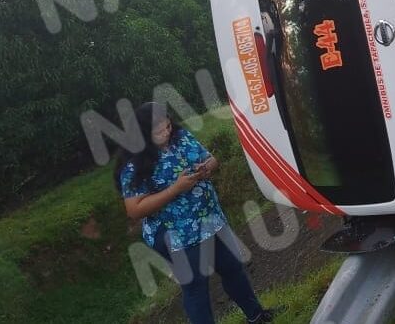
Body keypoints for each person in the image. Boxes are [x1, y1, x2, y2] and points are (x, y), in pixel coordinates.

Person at [114, 102, 277, 324]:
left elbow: (210, 158)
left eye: (167, 126)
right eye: (158, 130)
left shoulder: (181, 138)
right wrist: (175, 189)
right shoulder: (134, 165)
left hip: (210, 218)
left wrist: (206, 168)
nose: (166, 132)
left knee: (232, 267)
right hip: (177, 233)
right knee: (196, 287)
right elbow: (134, 209)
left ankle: (257, 316)